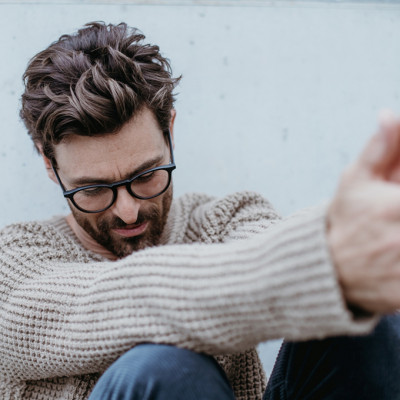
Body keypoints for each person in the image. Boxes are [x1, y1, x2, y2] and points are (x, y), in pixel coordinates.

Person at [1, 21, 400, 400]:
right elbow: (114, 302)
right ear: (49, 164)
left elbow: (267, 248)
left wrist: (355, 247)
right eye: (92, 189)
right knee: (165, 366)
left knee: (367, 316)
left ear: (169, 130)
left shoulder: (227, 218)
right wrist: (322, 258)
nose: (127, 211)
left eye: (146, 176)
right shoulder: (13, 264)